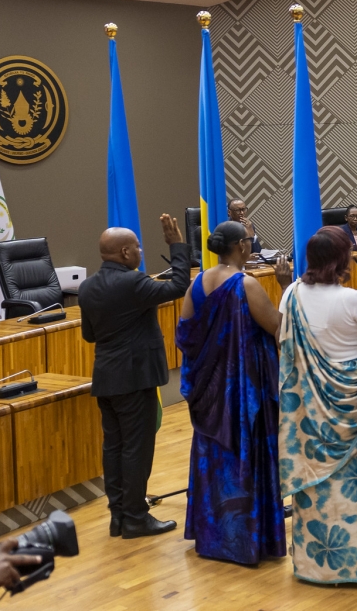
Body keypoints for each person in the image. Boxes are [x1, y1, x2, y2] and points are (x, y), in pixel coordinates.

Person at [277, 226, 357, 584]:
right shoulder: (352, 300)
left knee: (317, 485)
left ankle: (317, 567)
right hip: (355, 405)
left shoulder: (291, 296)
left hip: (312, 412)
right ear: (343, 260)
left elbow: (283, 340)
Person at [176, 220, 292, 565]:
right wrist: (286, 287)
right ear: (241, 246)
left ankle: (214, 537)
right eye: (250, 240)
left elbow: (185, 335)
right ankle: (245, 541)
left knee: (214, 461)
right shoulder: (246, 284)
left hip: (209, 393)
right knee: (245, 460)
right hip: (242, 395)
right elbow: (277, 326)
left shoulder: (197, 283)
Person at [79, 214, 191, 539]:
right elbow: (179, 286)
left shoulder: (87, 287)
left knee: (113, 447)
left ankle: (119, 516)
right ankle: (137, 518)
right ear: (126, 253)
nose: (141, 252)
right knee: (136, 449)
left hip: (106, 378)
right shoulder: (133, 282)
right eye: (138, 247)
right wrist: (177, 246)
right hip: (135, 378)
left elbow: (89, 336)